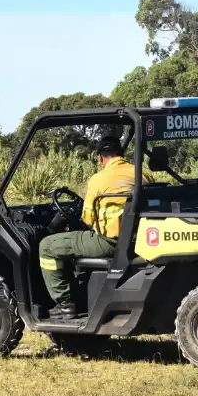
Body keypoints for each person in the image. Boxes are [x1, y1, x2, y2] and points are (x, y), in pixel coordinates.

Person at [39, 136, 140, 319]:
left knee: (47, 246)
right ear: (121, 154)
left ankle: (65, 304)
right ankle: (81, 295)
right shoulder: (142, 174)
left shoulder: (99, 180)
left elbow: (87, 218)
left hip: (108, 243)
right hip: (138, 241)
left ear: (101, 157)